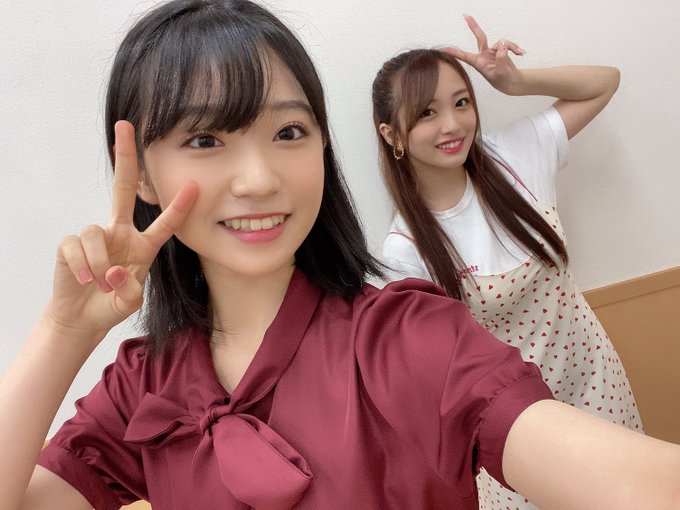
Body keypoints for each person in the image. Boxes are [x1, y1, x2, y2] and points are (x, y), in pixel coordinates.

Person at [0, 2, 678, 509]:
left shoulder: (409, 338)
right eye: (205, 140)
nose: (259, 179)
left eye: (289, 131)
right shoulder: (141, 386)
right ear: (143, 175)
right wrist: (64, 331)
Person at [373, 15, 650, 510]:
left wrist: (516, 82)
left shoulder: (515, 155)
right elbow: (428, 381)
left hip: (595, 382)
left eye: (461, 102)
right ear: (392, 134)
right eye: (427, 112)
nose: (452, 124)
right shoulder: (404, 251)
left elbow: (605, 82)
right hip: (519, 431)